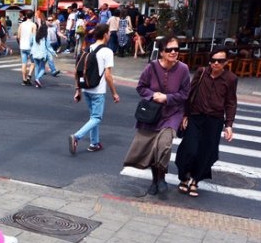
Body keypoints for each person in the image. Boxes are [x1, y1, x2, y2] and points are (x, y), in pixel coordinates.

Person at [123, 36, 190, 195]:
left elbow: (185, 94)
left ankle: (161, 178)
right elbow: (141, 87)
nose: (173, 52)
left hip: (172, 114)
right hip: (152, 114)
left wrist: (167, 98)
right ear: (161, 52)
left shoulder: (183, 69)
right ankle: (155, 180)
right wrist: (153, 95)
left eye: (176, 49)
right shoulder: (151, 67)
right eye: (169, 49)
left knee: (164, 145)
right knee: (153, 150)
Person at [174, 47, 237, 197]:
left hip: (214, 121)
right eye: (213, 60)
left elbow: (230, 102)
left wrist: (228, 125)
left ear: (226, 62)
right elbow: (190, 95)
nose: (215, 63)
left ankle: (195, 180)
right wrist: (185, 115)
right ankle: (184, 176)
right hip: (196, 117)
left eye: (220, 61)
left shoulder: (231, 79)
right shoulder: (201, 72)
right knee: (190, 148)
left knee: (206, 152)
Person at [69, 24, 120, 154]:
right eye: (108, 33)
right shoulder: (107, 52)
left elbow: (77, 71)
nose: (109, 35)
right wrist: (114, 93)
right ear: (105, 35)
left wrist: (78, 90)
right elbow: (108, 75)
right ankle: (77, 136)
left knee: (93, 117)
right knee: (97, 118)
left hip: (86, 88)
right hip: (98, 90)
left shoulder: (88, 49)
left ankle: (94, 143)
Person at [30, 23, 55, 88]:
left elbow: (30, 43)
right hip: (42, 54)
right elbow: (48, 47)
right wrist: (54, 53)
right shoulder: (45, 37)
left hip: (34, 54)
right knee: (42, 69)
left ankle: (36, 82)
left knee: (37, 67)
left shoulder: (34, 35)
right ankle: (37, 79)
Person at [16, 11, 36, 86]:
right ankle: (29, 75)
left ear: (26, 16)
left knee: (24, 63)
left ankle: (24, 79)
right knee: (33, 62)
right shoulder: (33, 25)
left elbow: (18, 36)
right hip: (30, 47)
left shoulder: (21, 24)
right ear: (32, 16)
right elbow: (34, 37)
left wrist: (21, 42)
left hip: (22, 46)